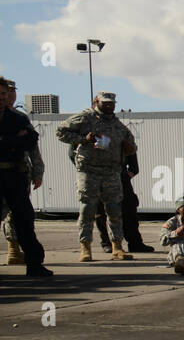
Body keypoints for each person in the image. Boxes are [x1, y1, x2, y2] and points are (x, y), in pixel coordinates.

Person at [56, 90, 137, 262]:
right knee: (88, 210)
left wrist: (128, 148)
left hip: (112, 172)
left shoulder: (118, 125)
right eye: (105, 103)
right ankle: (85, 247)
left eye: (112, 103)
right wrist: (83, 139)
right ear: (96, 102)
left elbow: (132, 145)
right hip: (89, 170)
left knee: (115, 210)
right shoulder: (85, 118)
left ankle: (117, 247)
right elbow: (61, 132)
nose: (109, 106)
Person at [0, 75, 51, 276]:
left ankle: (34, 265)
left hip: (15, 175)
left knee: (24, 221)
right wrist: (13, 140)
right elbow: (19, 141)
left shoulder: (19, 118)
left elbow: (31, 141)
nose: (3, 98)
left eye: (4, 94)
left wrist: (6, 141)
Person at [120, 150, 154, 253]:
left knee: (129, 209)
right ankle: (108, 243)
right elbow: (74, 151)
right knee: (101, 212)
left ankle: (135, 243)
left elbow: (130, 148)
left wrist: (132, 170)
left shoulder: (122, 133)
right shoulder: (92, 133)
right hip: (98, 176)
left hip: (120, 177)